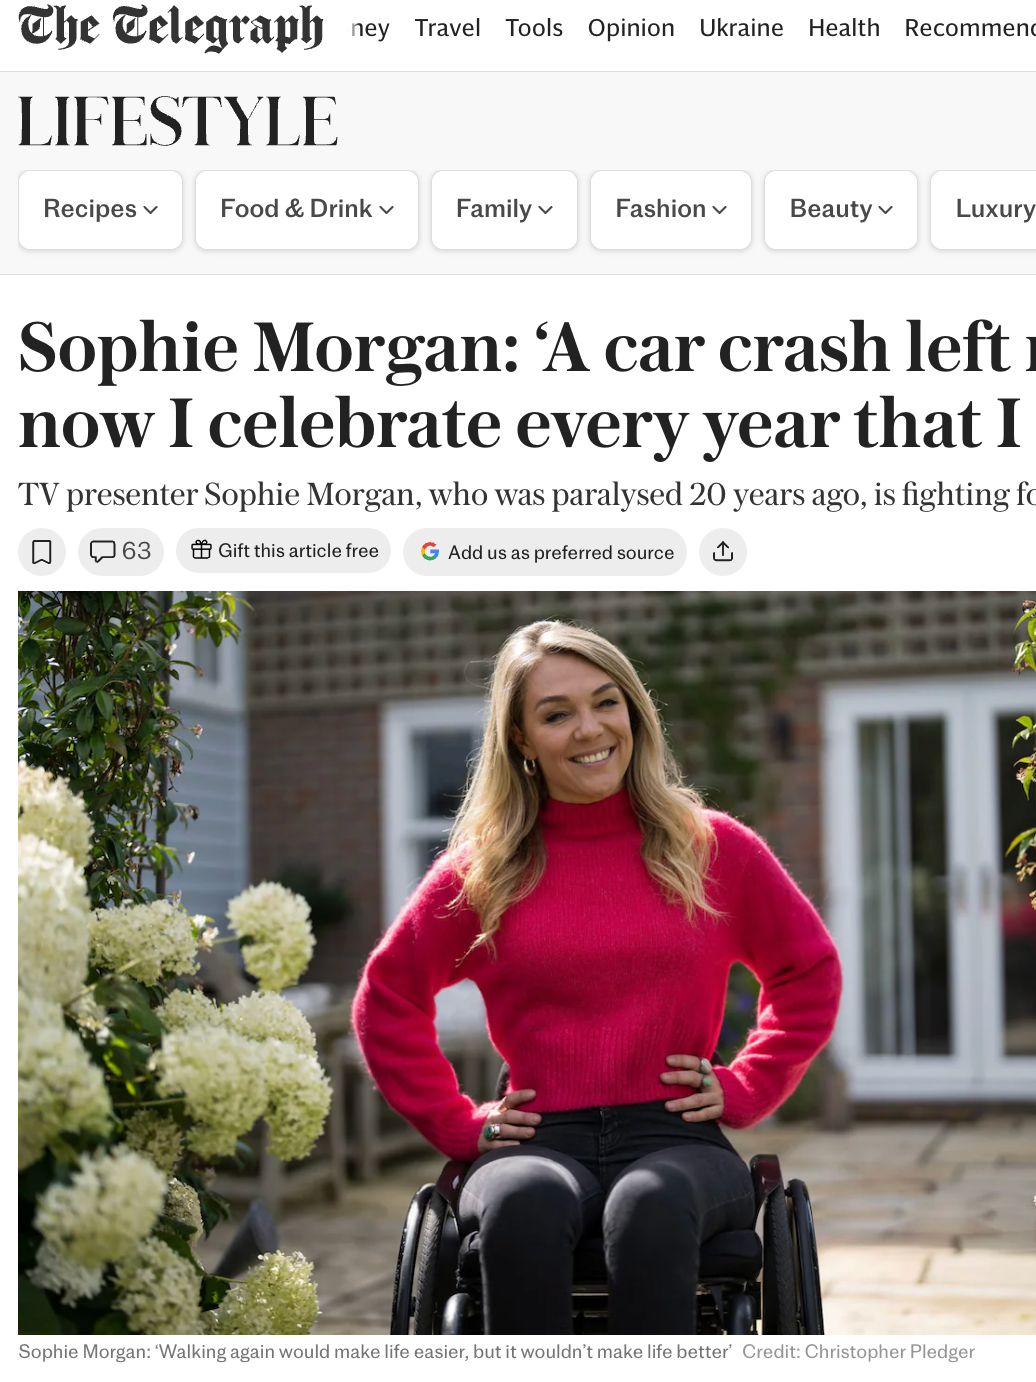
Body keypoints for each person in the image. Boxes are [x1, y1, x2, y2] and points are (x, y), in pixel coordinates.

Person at [352, 620, 841, 1333]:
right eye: (557, 714)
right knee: (522, 1204)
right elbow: (388, 995)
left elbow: (808, 970)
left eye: (606, 702)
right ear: (521, 739)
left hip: (677, 1137)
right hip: (536, 1138)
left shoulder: (712, 848)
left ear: (633, 713)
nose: (590, 728)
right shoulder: (485, 872)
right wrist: (456, 1122)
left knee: (649, 1205)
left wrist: (747, 1084)